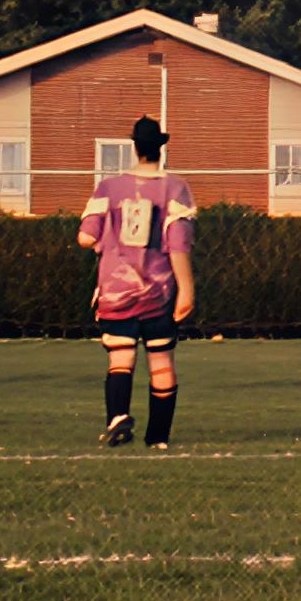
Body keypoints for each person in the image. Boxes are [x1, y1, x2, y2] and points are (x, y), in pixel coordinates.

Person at [78, 116, 197, 447]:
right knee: (161, 360)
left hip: (115, 292)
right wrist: (187, 290)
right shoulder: (176, 188)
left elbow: (86, 237)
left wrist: (109, 238)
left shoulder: (108, 188)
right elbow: (178, 244)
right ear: (161, 148)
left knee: (120, 356)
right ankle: (158, 437)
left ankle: (117, 416)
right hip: (159, 293)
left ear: (135, 147)